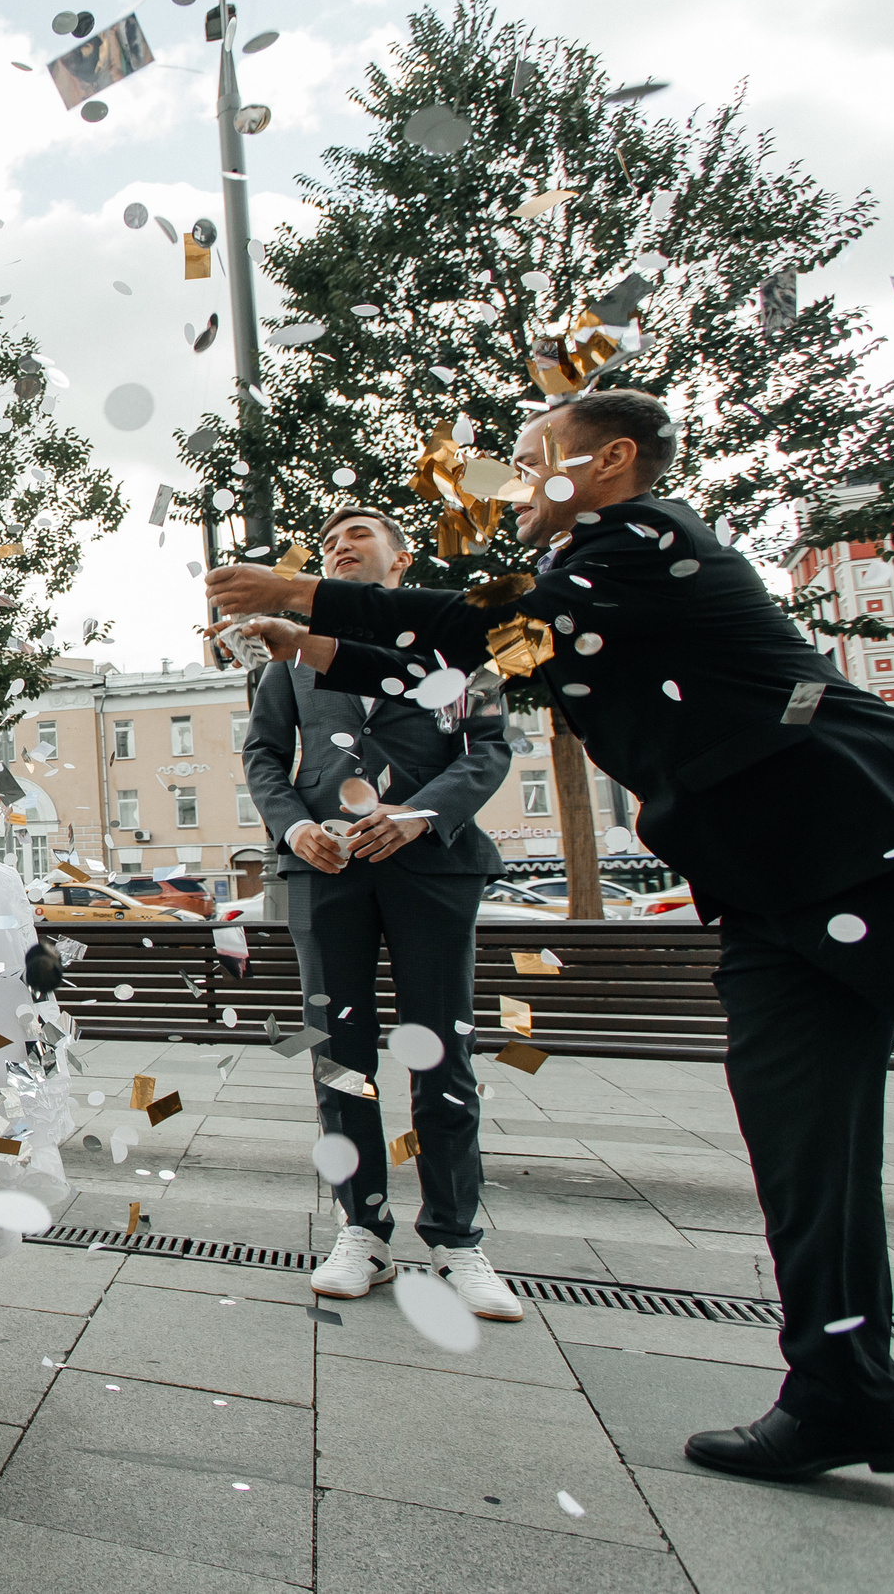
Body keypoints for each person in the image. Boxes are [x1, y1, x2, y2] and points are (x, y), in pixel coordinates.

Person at [208, 387, 894, 1482]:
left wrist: (301, 589)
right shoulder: (583, 585)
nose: (508, 484)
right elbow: (462, 667)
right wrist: (304, 641)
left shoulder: (648, 542)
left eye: (526, 459)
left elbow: (481, 629)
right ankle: (846, 1395)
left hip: (882, 845)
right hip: (762, 890)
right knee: (803, 1152)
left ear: (606, 463)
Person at [241, 507, 519, 1317]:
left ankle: (458, 1240)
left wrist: (419, 815)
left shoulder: (459, 642)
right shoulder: (291, 656)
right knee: (338, 1054)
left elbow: (491, 749)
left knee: (442, 1051)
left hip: (433, 865)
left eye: (356, 538)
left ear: (401, 561)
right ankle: (360, 1228)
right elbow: (263, 754)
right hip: (325, 872)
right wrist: (293, 825)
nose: (337, 549)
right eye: (327, 546)